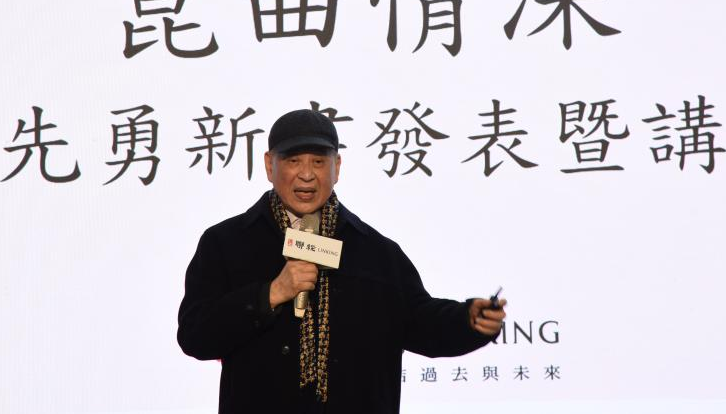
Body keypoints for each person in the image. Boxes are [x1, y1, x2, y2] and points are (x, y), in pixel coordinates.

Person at [177, 109, 506, 413]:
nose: (307, 175)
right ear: (269, 165)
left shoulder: (375, 252)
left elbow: (420, 322)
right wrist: (270, 294)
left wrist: (468, 320)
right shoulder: (226, 243)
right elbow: (195, 335)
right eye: (293, 160)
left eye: (319, 162)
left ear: (337, 167)